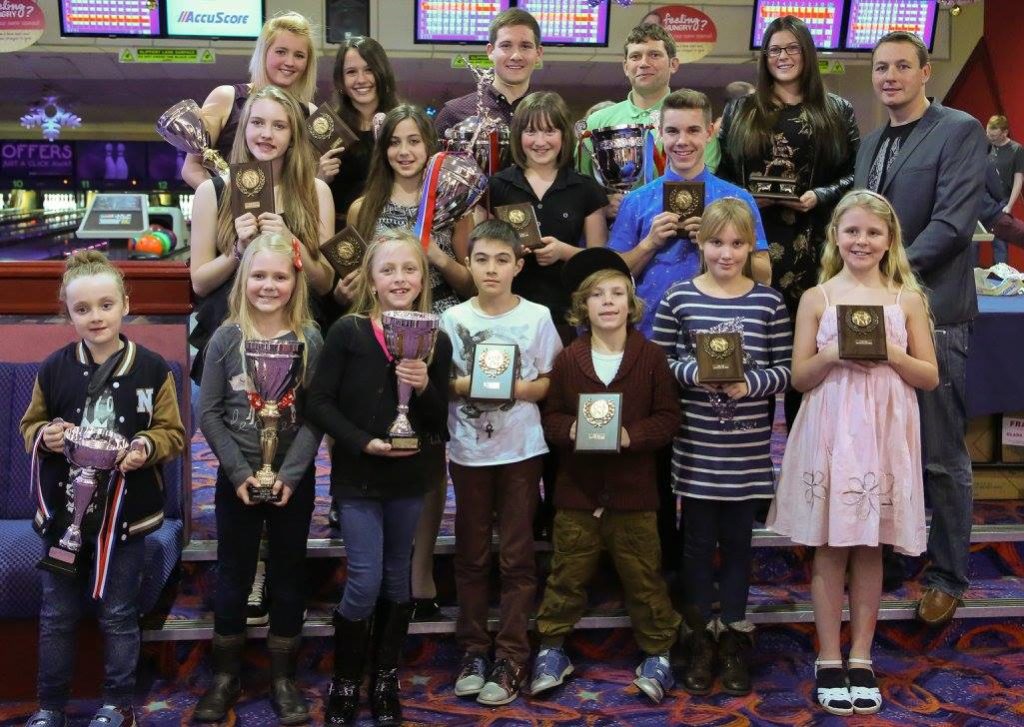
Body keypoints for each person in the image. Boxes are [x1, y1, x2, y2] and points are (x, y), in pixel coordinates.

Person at [767, 190, 939, 715]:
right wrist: (834, 349)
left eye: (873, 233)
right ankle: (827, 656)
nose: (862, 241)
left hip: (884, 429)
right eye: (852, 231)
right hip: (833, 425)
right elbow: (798, 377)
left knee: (870, 546)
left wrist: (888, 351)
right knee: (831, 544)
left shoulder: (905, 298)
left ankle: (861, 655)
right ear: (835, 237)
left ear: (890, 241)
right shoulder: (817, 298)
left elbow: (929, 376)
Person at [853, 31, 987, 626]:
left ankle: (948, 574)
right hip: (875, 313)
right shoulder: (872, 141)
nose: (890, 76)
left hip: (934, 316)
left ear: (925, 72)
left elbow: (954, 225)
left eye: (903, 66)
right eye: (882, 67)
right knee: (884, 447)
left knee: (939, 455)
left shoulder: (959, 131)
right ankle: (898, 551)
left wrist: (886, 275)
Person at [20, 252, 185, 727]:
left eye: (106, 304)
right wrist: (45, 435)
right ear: (67, 313)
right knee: (56, 617)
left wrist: (144, 447)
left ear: (126, 305)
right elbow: (29, 424)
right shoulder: (53, 367)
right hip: (62, 520)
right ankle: (50, 707)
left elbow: (172, 433)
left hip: (126, 520)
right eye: (83, 308)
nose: (96, 316)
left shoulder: (152, 370)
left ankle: (119, 704)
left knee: (118, 614)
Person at [609, 87, 769, 572]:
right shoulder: (637, 201)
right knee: (651, 466)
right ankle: (663, 570)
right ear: (659, 134)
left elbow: (763, 274)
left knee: (707, 465)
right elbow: (612, 277)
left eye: (693, 130)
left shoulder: (736, 200)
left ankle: (711, 569)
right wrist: (649, 245)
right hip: (652, 348)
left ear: (711, 132)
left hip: (718, 353)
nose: (682, 141)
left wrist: (715, 244)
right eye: (673, 131)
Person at [306, 231, 453, 726]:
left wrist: (426, 385)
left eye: (409, 270)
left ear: (423, 277)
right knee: (365, 579)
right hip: (359, 476)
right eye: (388, 270)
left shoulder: (438, 337)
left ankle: (385, 679)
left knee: (397, 578)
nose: (399, 279)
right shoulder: (348, 332)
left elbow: (436, 423)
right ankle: (346, 680)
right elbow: (319, 402)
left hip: (410, 477)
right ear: (370, 277)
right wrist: (360, 441)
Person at [653, 198, 792, 697]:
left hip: (748, 454)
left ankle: (732, 634)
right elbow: (661, 361)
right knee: (695, 546)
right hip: (696, 451)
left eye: (736, 244)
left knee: (738, 546)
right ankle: (697, 637)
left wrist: (748, 384)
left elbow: (788, 369)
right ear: (700, 243)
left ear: (750, 245)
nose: (726, 253)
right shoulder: (679, 297)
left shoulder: (768, 303)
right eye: (716, 243)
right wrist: (699, 372)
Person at [531, 248, 681, 705]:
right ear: (583, 305)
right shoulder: (569, 359)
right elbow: (551, 416)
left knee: (644, 574)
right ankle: (552, 647)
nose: (609, 302)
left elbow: (668, 419)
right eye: (597, 295)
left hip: (634, 493)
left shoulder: (651, 357)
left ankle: (658, 651)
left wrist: (631, 436)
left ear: (631, 303)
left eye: (618, 293)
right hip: (577, 491)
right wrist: (570, 429)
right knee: (566, 573)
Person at [348, 104, 473, 618]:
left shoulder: (454, 203)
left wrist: (436, 256)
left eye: (414, 141)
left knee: (429, 453)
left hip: (435, 334)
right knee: (380, 449)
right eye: (395, 142)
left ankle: (420, 575)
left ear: (431, 148)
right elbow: (353, 286)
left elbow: (469, 281)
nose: (404, 151)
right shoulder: (363, 208)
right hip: (377, 339)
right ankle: (377, 562)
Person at [194, 233, 323, 725]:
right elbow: (209, 414)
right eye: (259, 276)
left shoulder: (310, 340)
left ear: (296, 283)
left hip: (293, 480)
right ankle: (224, 676)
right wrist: (238, 472)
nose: (269, 285)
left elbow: (316, 416)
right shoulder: (226, 339)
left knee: (289, 572)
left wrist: (291, 474)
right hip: (237, 478)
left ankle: (284, 679)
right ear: (243, 279)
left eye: (280, 276)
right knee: (234, 573)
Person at [440, 219, 562, 706]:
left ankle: (511, 653)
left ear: (518, 264)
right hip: (468, 448)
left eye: (502, 259)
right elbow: (440, 383)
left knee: (516, 554)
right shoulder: (453, 320)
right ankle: (472, 648)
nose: (491, 269)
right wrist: (467, 386)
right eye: (481, 259)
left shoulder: (536, 317)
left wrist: (513, 388)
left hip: (519, 449)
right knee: (470, 553)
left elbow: (549, 382)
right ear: (467, 263)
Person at [717, 14, 859, 428]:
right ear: (764, 57)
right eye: (774, 50)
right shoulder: (740, 109)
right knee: (751, 355)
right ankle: (747, 456)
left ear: (808, 54)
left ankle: (804, 460)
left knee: (809, 359)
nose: (783, 57)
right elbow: (722, 173)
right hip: (751, 245)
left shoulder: (837, 110)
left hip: (814, 247)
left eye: (792, 48)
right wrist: (746, 199)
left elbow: (856, 174)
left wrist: (822, 195)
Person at [486, 90, 609, 540]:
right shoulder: (499, 185)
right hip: (509, 319)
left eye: (550, 130)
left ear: (565, 136)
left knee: (558, 415)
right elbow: (486, 251)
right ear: (519, 135)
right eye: (531, 130)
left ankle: (561, 509)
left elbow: (599, 261)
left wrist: (564, 251)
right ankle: (517, 510)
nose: (541, 140)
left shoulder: (584, 188)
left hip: (564, 320)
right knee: (513, 410)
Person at [189, 85, 335, 384]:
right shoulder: (212, 192)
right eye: (257, 123)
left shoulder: (316, 192)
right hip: (228, 342)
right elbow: (200, 283)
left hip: (295, 339)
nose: (266, 134)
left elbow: (325, 282)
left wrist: (292, 242)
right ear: (244, 128)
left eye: (279, 125)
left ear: (293, 135)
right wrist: (238, 251)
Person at [581, 24, 722, 208]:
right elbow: (583, 185)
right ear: (625, 66)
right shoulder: (597, 122)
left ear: (673, 64)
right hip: (613, 230)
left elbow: (704, 182)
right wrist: (601, 205)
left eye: (654, 55)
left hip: (682, 226)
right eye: (635, 56)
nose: (644, 63)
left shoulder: (694, 121)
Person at [182, 12, 318, 189]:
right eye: (281, 52)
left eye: (299, 55)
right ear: (264, 52)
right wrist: (227, 203)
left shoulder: (311, 113)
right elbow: (192, 168)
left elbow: (308, 178)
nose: (290, 62)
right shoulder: (226, 98)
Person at [319, 36, 400, 233]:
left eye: (369, 70)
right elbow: (305, 192)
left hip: (392, 231)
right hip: (339, 235)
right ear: (341, 80)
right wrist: (320, 179)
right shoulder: (326, 127)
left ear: (382, 73)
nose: (361, 80)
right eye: (351, 72)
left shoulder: (402, 124)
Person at [434, 8, 543, 150]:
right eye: (506, 46)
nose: (516, 56)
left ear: (538, 53)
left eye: (525, 46)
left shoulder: (549, 116)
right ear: (490, 52)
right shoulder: (453, 113)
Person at [981, 114, 1024, 265]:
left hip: (1001, 203)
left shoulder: (1016, 149)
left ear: (1004, 133)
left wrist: (1009, 205)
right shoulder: (984, 149)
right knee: (972, 244)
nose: (989, 138)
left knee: (1000, 245)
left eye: (993, 136)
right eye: (988, 134)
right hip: (982, 202)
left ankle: (1000, 279)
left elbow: (1019, 179)